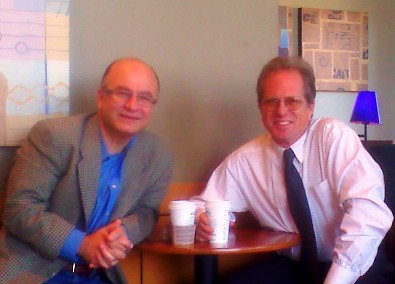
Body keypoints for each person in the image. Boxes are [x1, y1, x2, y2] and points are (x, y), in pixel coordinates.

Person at [196, 56, 394, 284]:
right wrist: (203, 218)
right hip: (291, 265)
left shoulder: (333, 138)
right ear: (261, 108)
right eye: (271, 101)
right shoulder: (245, 161)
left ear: (311, 106)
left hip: (355, 266)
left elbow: (367, 213)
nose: (281, 111)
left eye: (293, 101)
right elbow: (204, 202)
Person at [0, 58, 173, 283]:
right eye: (122, 93)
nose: (133, 105)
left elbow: (147, 213)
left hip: (100, 275)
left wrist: (125, 232)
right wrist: (82, 244)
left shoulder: (156, 154)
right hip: (35, 272)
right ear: (101, 97)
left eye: (144, 98)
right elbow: (20, 209)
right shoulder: (54, 136)